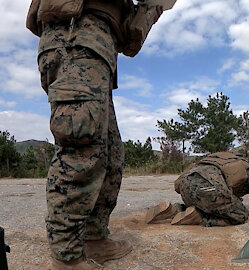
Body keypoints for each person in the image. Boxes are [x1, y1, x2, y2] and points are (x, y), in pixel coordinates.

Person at [26, 0, 168, 268]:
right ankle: (66, 258)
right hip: (74, 39)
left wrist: (148, 12)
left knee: (110, 155)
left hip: (97, 47)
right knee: (82, 149)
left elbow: (128, 41)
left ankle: (94, 238)